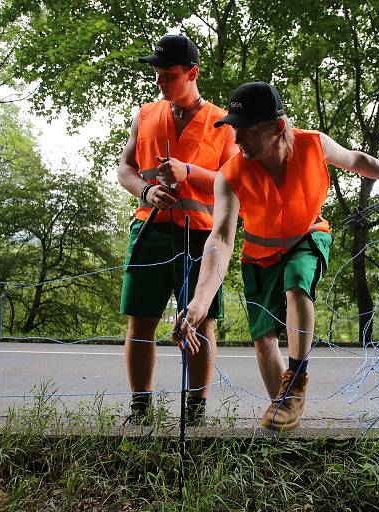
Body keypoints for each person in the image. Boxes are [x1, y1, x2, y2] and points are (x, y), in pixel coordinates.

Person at [175, 81, 379, 431]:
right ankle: (283, 412)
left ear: (277, 127)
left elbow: (357, 161)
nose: (236, 139)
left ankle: (296, 378)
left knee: (296, 285)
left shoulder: (313, 145)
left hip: (307, 236)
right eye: (233, 129)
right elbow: (219, 238)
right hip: (259, 256)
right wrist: (199, 302)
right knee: (264, 340)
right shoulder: (230, 175)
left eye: (245, 129)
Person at [117, 34, 237, 425]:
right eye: (156, 73)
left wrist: (191, 173)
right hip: (149, 231)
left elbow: (234, 182)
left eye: (168, 74)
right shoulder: (145, 114)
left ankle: (196, 411)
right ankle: (140, 409)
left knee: (199, 321)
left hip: (202, 237)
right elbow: (125, 169)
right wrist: (146, 190)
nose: (159, 81)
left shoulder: (224, 123)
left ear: (193, 73)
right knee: (141, 320)